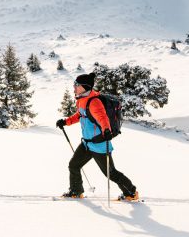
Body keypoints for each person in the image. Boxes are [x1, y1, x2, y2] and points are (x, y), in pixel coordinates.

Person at [56, 72, 138, 201]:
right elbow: (80, 115)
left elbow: (102, 118)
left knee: (111, 173)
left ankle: (131, 192)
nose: (74, 87)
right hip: (87, 144)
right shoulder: (82, 100)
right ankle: (76, 191)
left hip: (99, 145)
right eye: (74, 84)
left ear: (85, 87)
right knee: (74, 165)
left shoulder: (94, 102)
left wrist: (106, 131)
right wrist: (66, 122)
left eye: (77, 85)